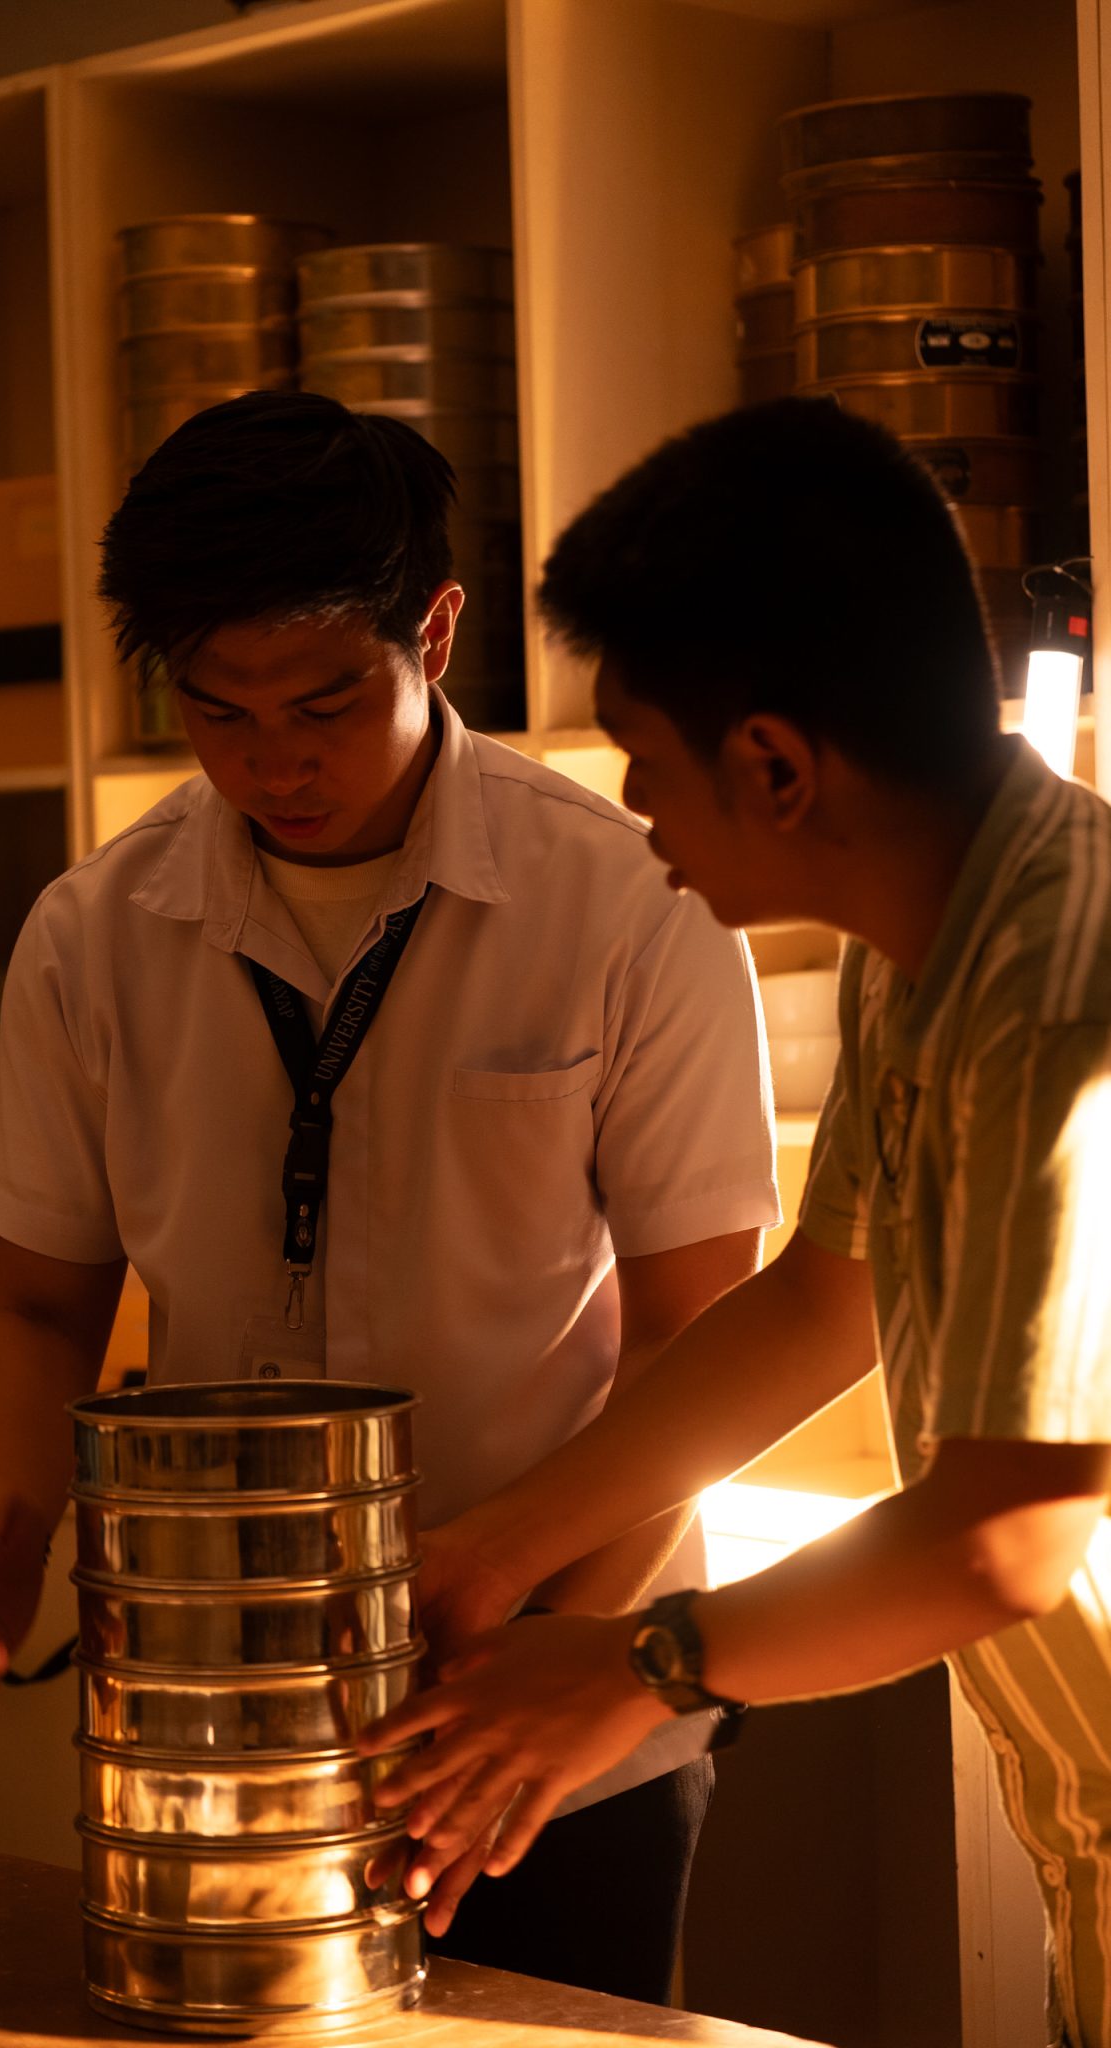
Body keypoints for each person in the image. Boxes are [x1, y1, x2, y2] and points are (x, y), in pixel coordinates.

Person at [0, 390, 779, 2002]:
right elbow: (37, 1303)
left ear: (434, 635)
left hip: (563, 1708)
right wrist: (4, 1515)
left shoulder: (630, 904)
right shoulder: (92, 935)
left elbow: (701, 1335)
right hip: (224, 1705)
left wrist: (551, 1645)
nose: (275, 761)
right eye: (219, 710)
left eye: (325, 701)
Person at [358, 394, 1111, 2048]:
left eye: (643, 756)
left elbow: (1008, 1535)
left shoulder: (1060, 998)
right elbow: (823, 1302)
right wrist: (498, 1553)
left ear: (773, 765)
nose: (634, 811)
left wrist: (637, 1665)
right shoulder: (932, 939)